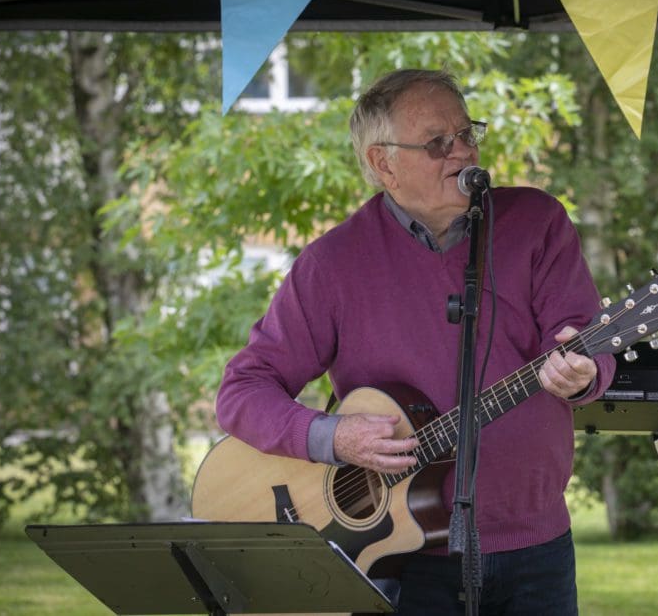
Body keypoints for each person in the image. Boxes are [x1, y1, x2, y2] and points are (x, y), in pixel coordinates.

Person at [215, 68, 616, 615]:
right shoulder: (333, 264)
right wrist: (332, 437)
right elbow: (242, 391)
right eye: (436, 143)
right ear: (384, 163)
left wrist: (585, 372)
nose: (462, 153)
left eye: (466, 134)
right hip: (399, 556)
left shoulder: (537, 221)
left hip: (535, 546)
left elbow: (586, 340)